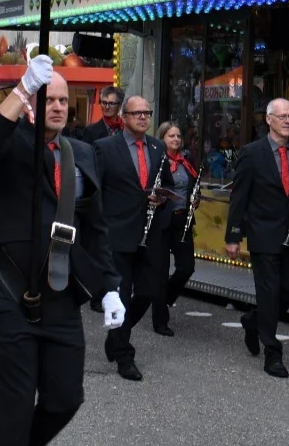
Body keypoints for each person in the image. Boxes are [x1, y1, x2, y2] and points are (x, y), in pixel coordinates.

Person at [0, 56, 125, 446]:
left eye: (62, 100)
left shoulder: (82, 153)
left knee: (65, 398)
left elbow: (95, 228)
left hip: (61, 292)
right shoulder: (10, 143)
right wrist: (23, 87)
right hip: (9, 290)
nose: (57, 106)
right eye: (48, 99)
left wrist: (110, 286)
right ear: (29, 105)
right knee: (14, 402)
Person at [225, 98, 289, 378]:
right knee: (269, 291)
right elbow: (239, 197)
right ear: (269, 120)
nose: (288, 121)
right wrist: (233, 235)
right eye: (282, 116)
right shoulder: (251, 153)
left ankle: (253, 320)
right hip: (262, 235)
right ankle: (272, 353)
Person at [92, 94, 168, 381]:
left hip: (149, 235)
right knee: (120, 296)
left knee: (148, 291)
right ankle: (124, 355)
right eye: (136, 113)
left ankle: (116, 338)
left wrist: (161, 199)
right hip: (117, 233)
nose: (143, 118)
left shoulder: (158, 148)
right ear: (124, 117)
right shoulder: (104, 148)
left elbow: (166, 186)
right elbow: (95, 190)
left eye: (147, 113)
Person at [141, 121, 197, 336]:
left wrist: (195, 199)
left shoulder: (187, 160)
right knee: (161, 270)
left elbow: (192, 185)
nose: (176, 139)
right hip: (162, 220)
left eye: (178, 136)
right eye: (171, 136)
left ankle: (164, 300)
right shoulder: (157, 159)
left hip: (183, 219)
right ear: (162, 138)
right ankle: (160, 321)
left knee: (186, 267)